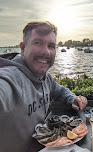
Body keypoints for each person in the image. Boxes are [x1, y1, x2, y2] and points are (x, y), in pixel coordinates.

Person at [0, 21, 87, 152]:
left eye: (51, 46)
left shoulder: (45, 78)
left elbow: (60, 91)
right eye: (38, 43)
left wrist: (72, 98)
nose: (46, 52)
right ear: (23, 49)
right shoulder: (12, 78)